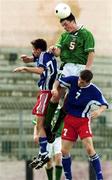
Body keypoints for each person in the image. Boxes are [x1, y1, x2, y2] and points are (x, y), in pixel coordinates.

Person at [44, 10, 95, 137]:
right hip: (67, 67)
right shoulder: (64, 36)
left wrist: (87, 70)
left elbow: (91, 53)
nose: (65, 27)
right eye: (63, 26)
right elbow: (58, 52)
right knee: (56, 95)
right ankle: (47, 124)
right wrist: (54, 49)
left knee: (68, 101)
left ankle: (56, 129)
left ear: (73, 21)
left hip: (80, 68)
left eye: (66, 24)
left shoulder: (86, 34)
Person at [51, 69, 108, 180]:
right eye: (79, 80)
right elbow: (58, 80)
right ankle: (68, 177)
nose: (79, 83)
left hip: (82, 122)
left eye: (82, 82)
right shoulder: (73, 80)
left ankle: (100, 177)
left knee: (89, 149)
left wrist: (98, 111)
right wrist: (54, 89)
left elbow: (104, 104)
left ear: (88, 82)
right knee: (64, 151)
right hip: (69, 120)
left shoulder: (94, 90)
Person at [14, 38, 57, 168]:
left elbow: (40, 70)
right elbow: (37, 59)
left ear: (38, 50)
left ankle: (44, 153)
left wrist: (25, 68)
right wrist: (28, 59)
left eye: (33, 50)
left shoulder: (43, 56)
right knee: (40, 124)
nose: (33, 52)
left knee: (40, 124)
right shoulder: (45, 55)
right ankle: (42, 153)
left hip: (46, 92)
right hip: (46, 92)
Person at [33, 106, 63, 180]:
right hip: (46, 138)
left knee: (58, 158)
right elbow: (36, 123)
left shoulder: (61, 109)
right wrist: (35, 134)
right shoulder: (44, 108)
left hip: (58, 137)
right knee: (48, 161)